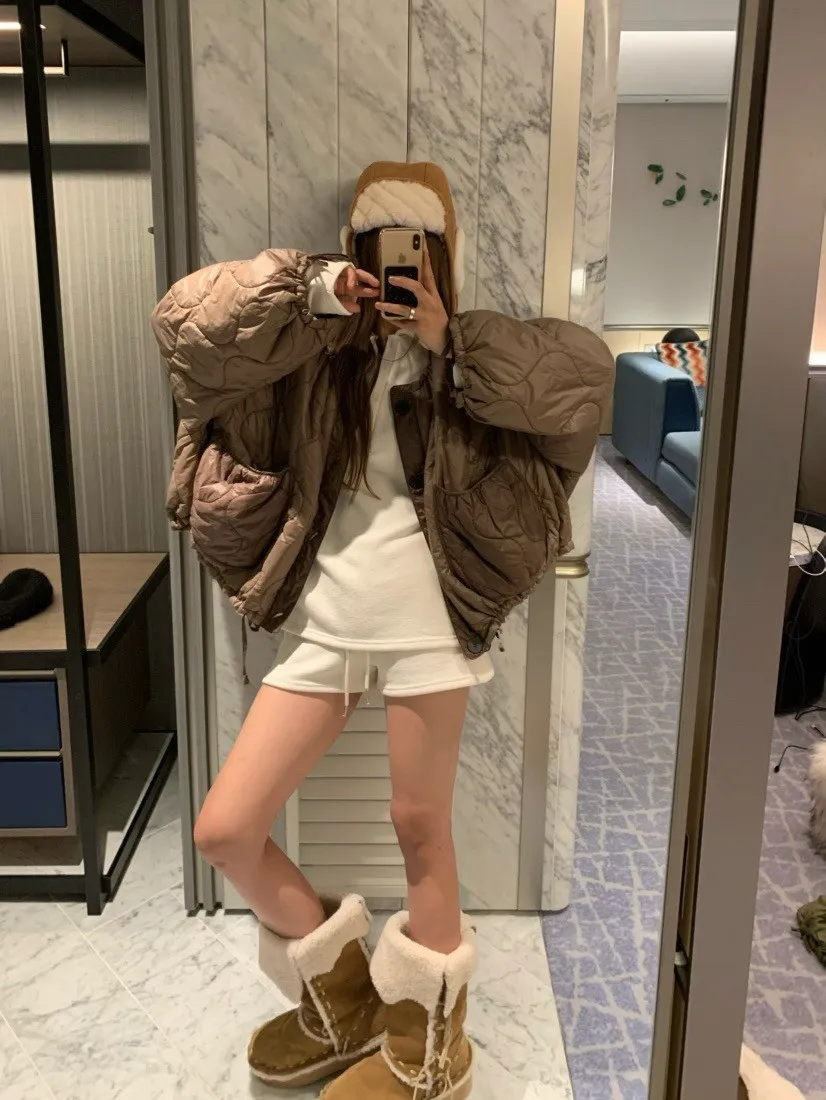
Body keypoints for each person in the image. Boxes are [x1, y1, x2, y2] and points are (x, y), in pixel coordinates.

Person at [152, 160, 613, 1098]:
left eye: (418, 250)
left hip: (428, 617)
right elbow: (184, 331)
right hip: (328, 614)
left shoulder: (471, 355)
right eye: (380, 248)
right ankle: (351, 1010)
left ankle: (433, 1048)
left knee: (419, 825)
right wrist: (314, 293)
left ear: (442, 255)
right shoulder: (312, 344)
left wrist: (452, 342)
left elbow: (583, 383)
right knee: (226, 829)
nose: (399, 268)